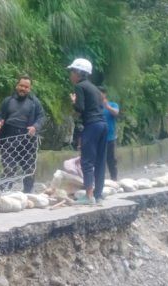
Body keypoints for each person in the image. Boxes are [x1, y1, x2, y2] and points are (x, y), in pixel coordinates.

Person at [0, 75, 46, 193]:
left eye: (26, 87)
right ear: (16, 86)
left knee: (29, 169)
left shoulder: (35, 102)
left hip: (27, 139)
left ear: (30, 89)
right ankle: (3, 193)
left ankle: (28, 194)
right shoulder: (8, 101)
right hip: (8, 138)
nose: (23, 89)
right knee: (9, 168)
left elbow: (41, 117)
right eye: (21, 86)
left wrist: (35, 127)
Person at [68, 58, 107, 204]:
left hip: (92, 125)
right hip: (103, 125)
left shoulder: (80, 86)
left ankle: (89, 196)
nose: (70, 74)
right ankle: (98, 194)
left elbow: (80, 108)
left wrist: (74, 102)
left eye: (72, 71)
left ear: (78, 72)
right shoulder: (95, 88)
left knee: (87, 160)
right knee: (100, 161)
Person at [99, 87, 120, 181]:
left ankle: (114, 178)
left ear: (104, 94)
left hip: (110, 137)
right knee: (98, 160)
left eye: (100, 93)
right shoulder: (95, 106)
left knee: (111, 159)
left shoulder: (113, 104)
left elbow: (116, 113)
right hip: (97, 138)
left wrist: (107, 107)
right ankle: (99, 180)